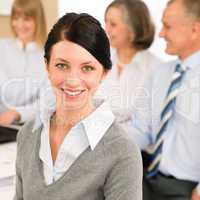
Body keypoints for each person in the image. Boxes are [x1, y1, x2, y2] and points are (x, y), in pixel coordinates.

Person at [14, 12, 143, 200]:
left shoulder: (122, 152)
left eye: (87, 68)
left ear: (104, 73)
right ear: (47, 66)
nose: (73, 81)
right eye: (62, 65)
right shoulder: (27, 135)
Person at [132, 0, 200, 199]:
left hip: (187, 190)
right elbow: (141, 129)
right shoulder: (160, 73)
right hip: (147, 178)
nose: (160, 34)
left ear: (195, 30)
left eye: (167, 27)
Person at [95, 0, 162, 134]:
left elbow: (148, 128)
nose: (106, 29)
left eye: (113, 24)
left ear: (133, 29)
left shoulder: (156, 69)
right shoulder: (98, 60)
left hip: (133, 150)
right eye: (106, 22)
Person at [0, 0, 48, 126]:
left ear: (38, 20)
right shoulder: (2, 47)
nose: (19, 25)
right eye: (16, 18)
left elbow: (48, 100)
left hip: (31, 127)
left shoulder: (50, 56)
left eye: (26, 19)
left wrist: (17, 113)